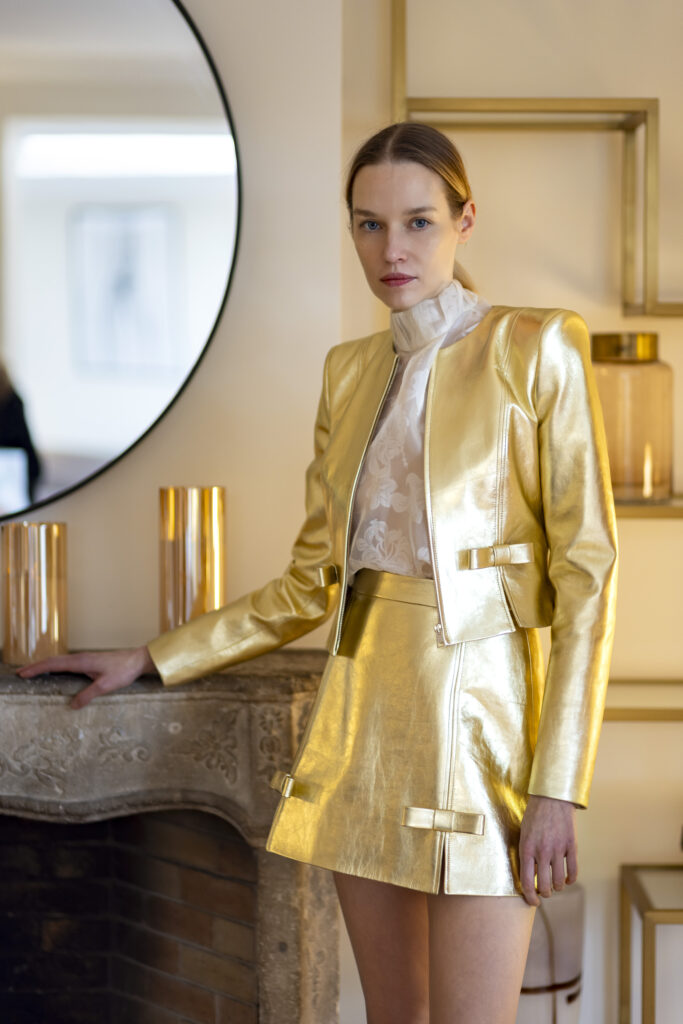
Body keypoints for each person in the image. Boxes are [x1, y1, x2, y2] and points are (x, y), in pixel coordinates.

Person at [20, 123, 618, 1024]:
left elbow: (588, 574)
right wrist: (150, 658)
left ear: (464, 220)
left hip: (484, 731)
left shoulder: (536, 346)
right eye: (368, 225)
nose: (391, 249)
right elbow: (309, 585)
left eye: (417, 221)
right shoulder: (348, 373)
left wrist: (557, 784)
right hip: (361, 727)